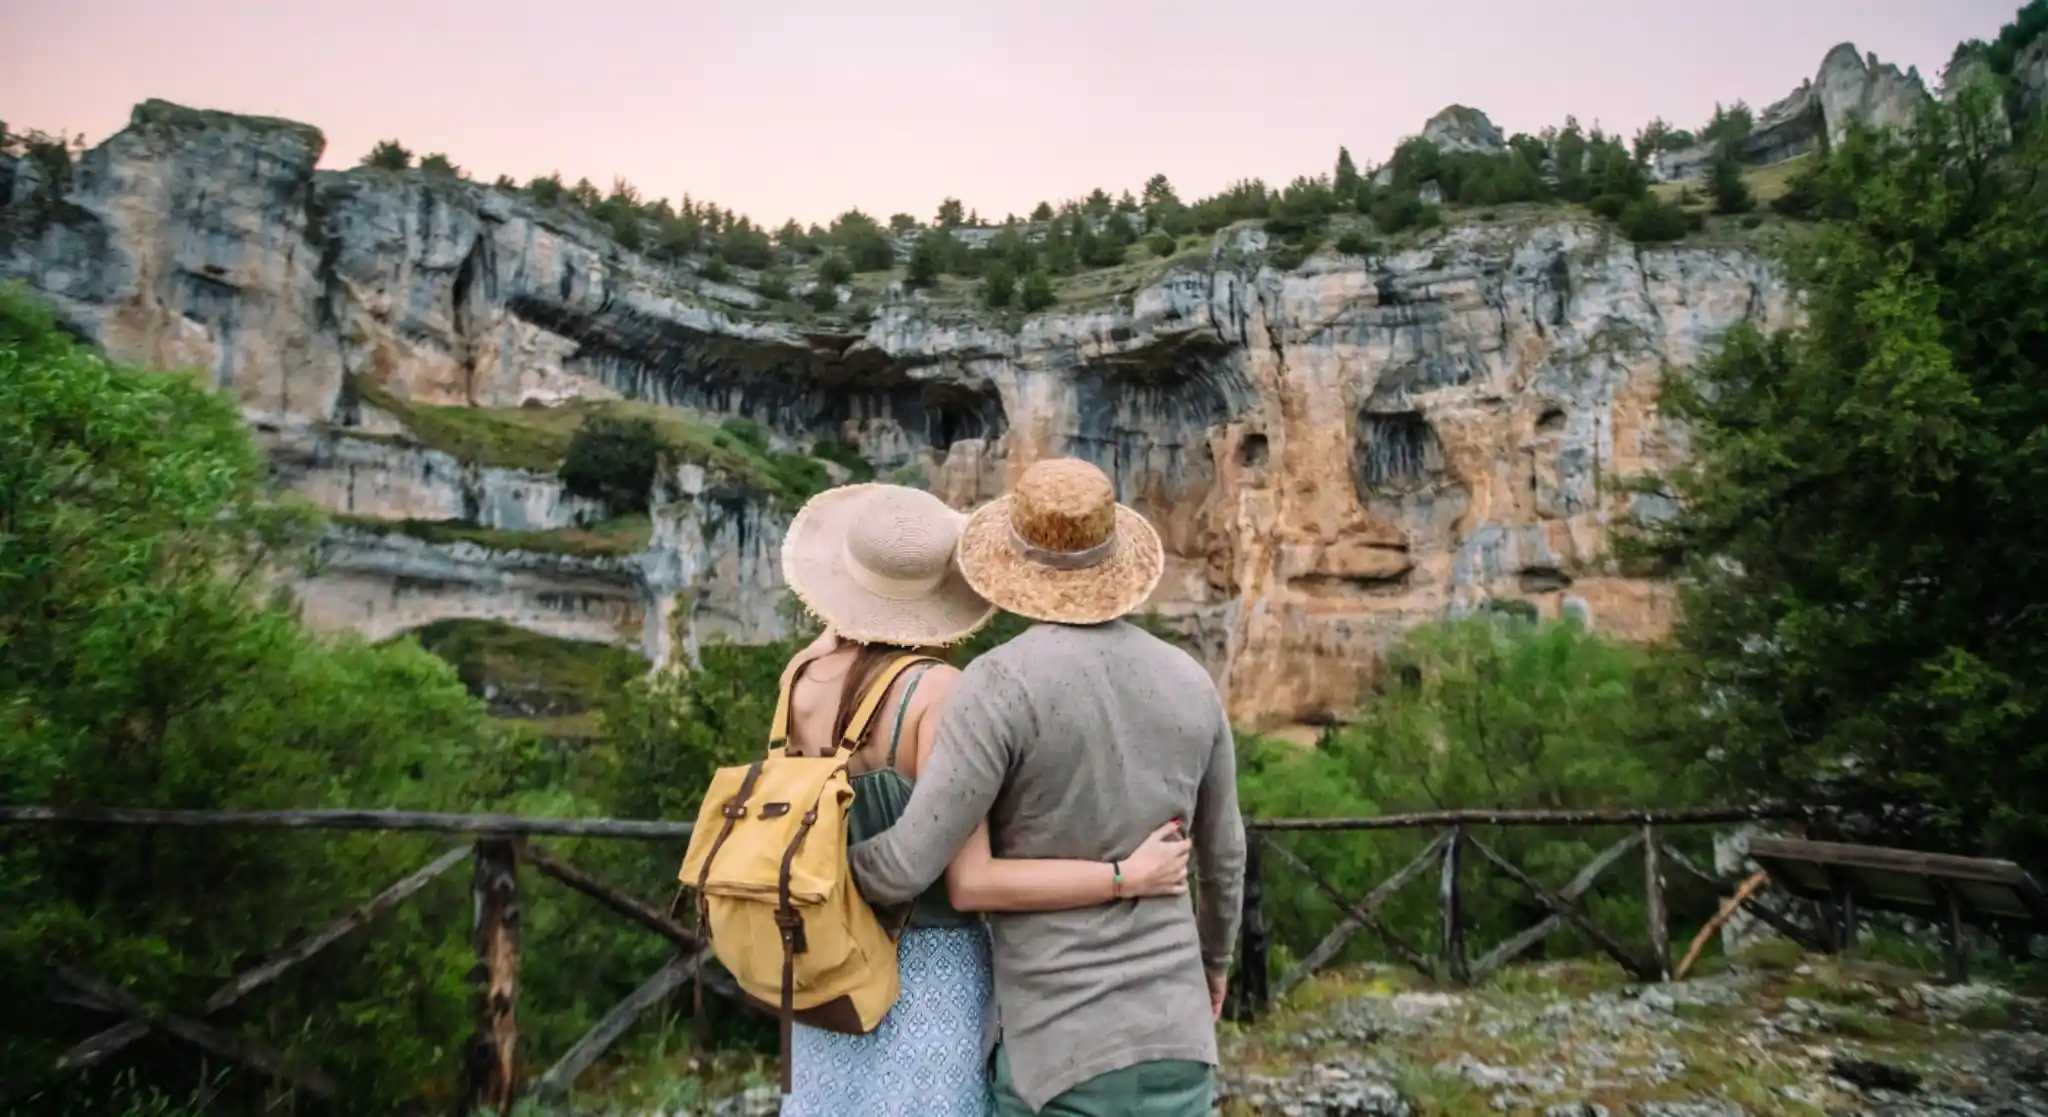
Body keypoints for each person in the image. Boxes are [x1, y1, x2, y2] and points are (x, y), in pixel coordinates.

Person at [774, 481, 1193, 1117]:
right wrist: (1122, 877)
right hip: (921, 972)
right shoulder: (940, 691)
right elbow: (972, 883)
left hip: (824, 960)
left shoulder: (801, 673)